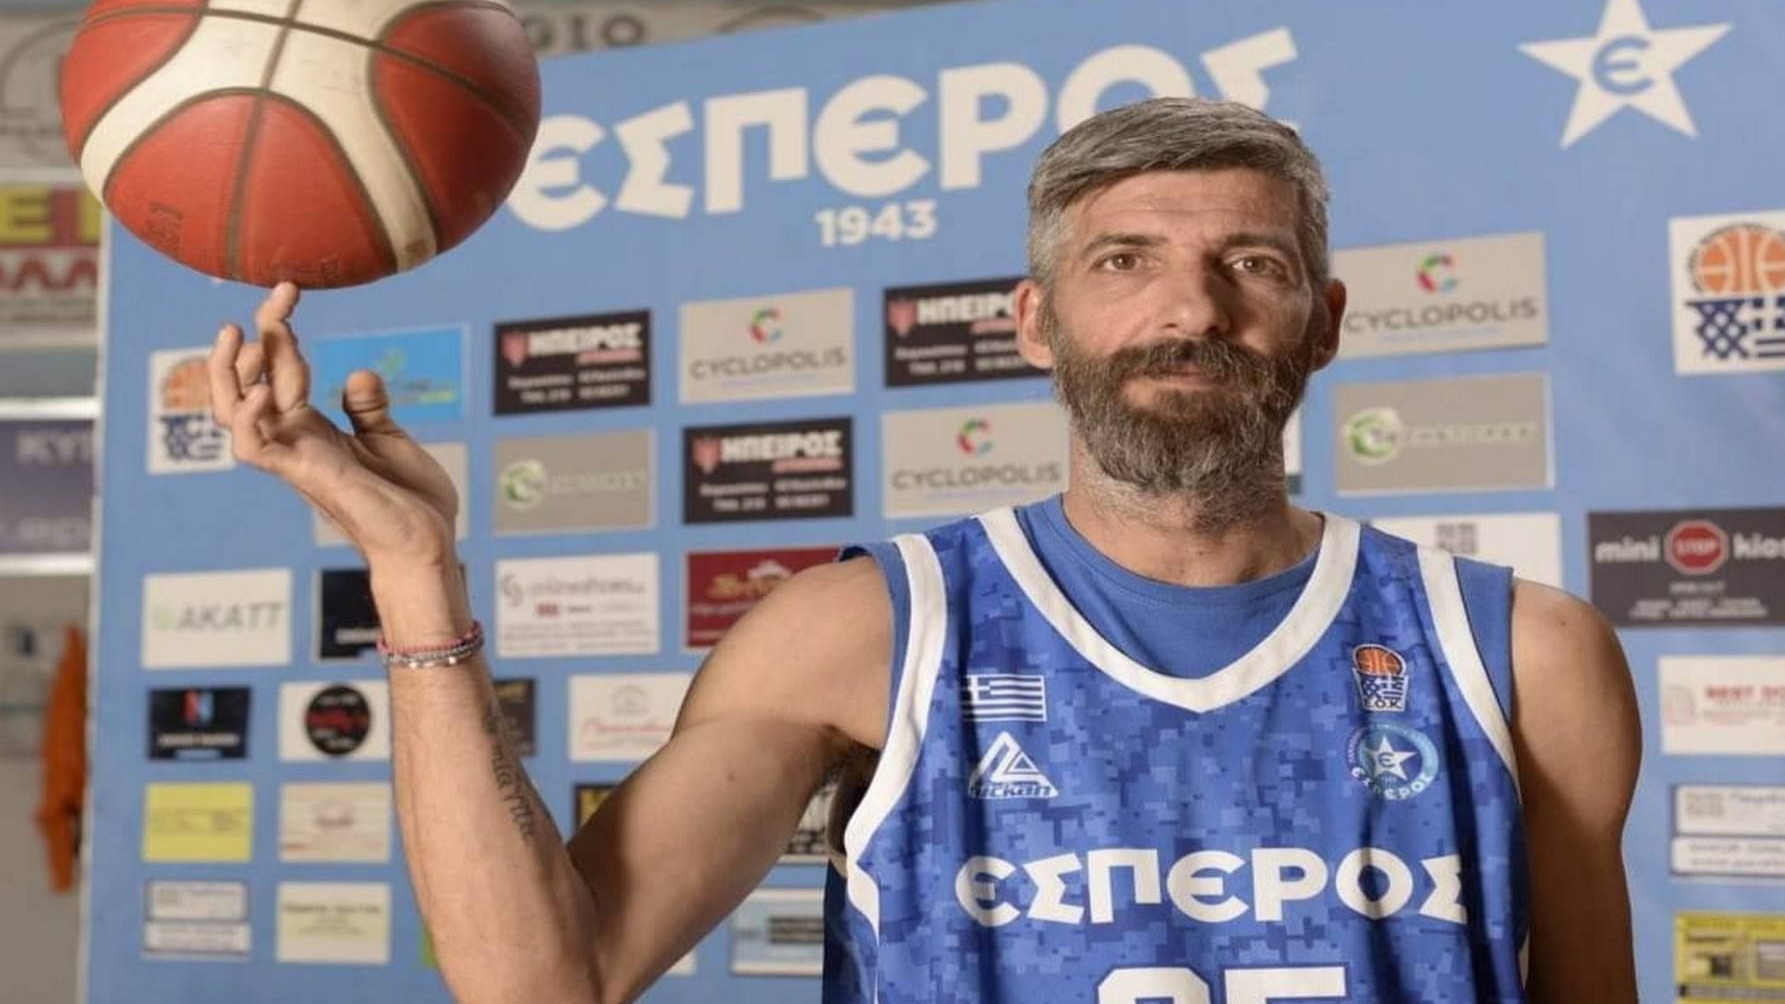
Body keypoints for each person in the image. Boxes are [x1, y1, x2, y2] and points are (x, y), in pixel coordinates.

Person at [206, 97, 1639, 1004]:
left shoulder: (1516, 650)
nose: (1190, 310)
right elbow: (542, 984)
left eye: (1251, 265)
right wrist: (412, 571)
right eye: (1124, 261)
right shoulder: (863, 633)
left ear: (1322, 324)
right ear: (1035, 324)